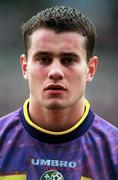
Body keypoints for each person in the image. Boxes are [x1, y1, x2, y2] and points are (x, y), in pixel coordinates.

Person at [0, 6, 117, 180]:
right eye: (44, 59)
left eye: (68, 60)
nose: (55, 71)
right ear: (25, 67)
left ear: (90, 69)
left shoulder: (114, 151)